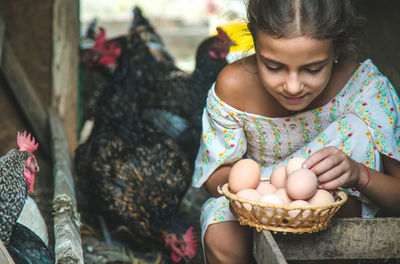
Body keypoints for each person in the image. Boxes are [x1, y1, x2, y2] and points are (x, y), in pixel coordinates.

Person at [191, 0, 400, 263]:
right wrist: (267, 195)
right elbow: (214, 178)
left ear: (336, 50)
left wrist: (359, 174)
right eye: (274, 66)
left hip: (335, 212)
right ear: (256, 45)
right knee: (220, 229)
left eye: (313, 69)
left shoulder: (364, 91)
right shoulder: (233, 88)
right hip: (258, 206)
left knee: (354, 130)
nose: (292, 87)